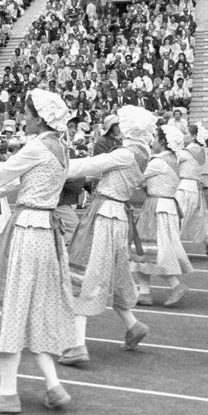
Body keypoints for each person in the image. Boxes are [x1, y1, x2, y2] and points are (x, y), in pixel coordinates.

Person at [0, 89, 77, 414]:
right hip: (47, 232)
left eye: (27, 114)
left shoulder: (37, 146)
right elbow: (19, 180)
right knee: (36, 307)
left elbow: (6, 171)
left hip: (27, 230)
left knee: (10, 305)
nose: (24, 118)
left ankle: (8, 392)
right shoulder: (61, 148)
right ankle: (53, 384)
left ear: (39, 117)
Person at [59, 105, 155, 366]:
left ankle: (77, 344)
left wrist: (53, 164)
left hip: (103, 214)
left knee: (85, 271)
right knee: (115, 272)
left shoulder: (125, 154)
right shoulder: (141, 153)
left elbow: (90, 164)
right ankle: (132, 324)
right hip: (118, 216)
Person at [134, 124, 195, 307]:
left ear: (162, 141)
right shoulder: (173, 159)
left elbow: (136, 178)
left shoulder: (158, 162)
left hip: (157, 207)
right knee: (145, 250)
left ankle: (175, 285)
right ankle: (144, 292)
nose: (153, 141)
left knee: (151, 250)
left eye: (155, 138)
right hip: (166, 206)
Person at [175, 124, 208, 256]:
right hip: (195, 188)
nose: (182, 136)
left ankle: (172, 249)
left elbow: (170, 161)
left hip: (185, 187)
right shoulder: (201, 150)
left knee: (178, 218)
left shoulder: (186, 152)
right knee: (197, 217)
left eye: (185, 133)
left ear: (194, 136)